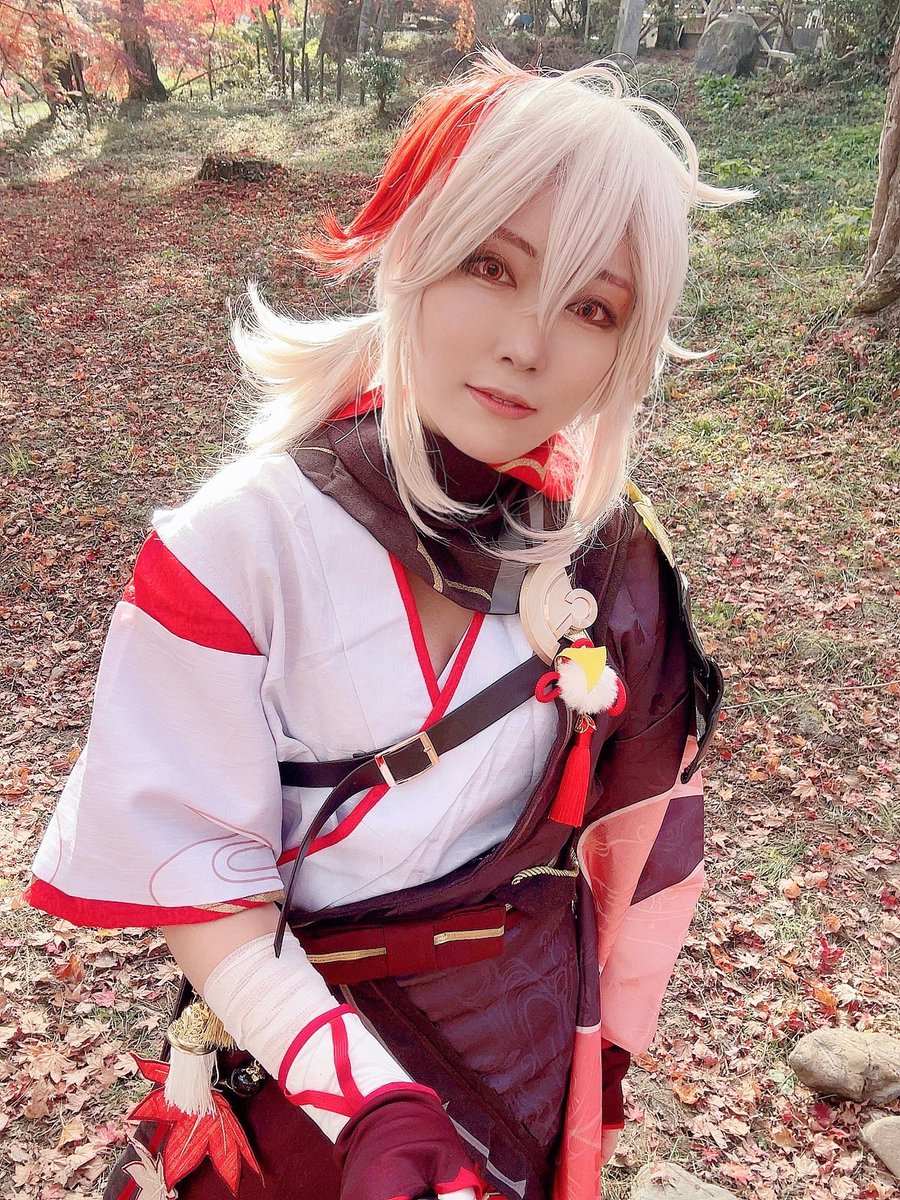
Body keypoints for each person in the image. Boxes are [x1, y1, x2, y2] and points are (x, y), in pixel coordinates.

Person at [25, 48, 748, 1200]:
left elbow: (643, 856)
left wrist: (600, 1068)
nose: (527, 344)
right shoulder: (232, 546)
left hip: (520, 1053)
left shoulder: (615, 558)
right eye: (490, 266)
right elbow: (201, 876)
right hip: (299, 1065)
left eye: (591, 306)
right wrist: (371, 1101)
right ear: (413, 252)